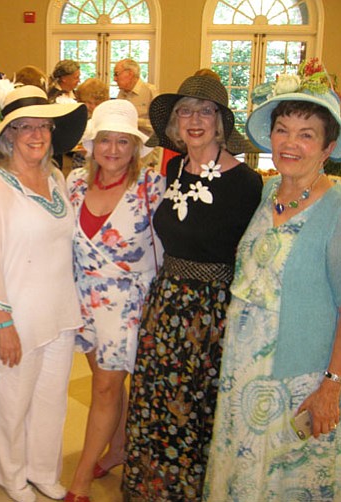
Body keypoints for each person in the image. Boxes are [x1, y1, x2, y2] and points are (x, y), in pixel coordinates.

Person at [122, 75, 263, 501]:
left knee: (197, 409)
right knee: (157, 399)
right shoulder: (172, 168)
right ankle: (153, 488)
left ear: (220, 122)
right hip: (165, 304)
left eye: (205, 111)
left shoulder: (246, 183)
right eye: (185, 110)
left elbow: (251, 256)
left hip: (212, 313)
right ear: (175, 123)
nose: (194, 119)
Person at [204, 64, 341, 501]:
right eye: (283, 130)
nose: (290, 143)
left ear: (327, 147)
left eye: (306, 134)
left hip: (298, 374)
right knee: (244, 468)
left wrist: (332, 384)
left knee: (287, 479)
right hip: (244, 366)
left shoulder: (336, 209)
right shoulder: (266, 194)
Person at [0, 85, 88, 502]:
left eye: (44, 126)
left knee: (52, 400)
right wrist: (3, 324)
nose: (36, 135)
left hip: (58, 310)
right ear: (8, 135)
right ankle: (11, 474)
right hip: (15, 316)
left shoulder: (55, 178)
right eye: (25, 127)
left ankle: (42, 470)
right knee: (12, 402)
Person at [64, 99, 165, 502]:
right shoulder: (73, 182)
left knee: (105, 389)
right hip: (83, 302)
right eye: (105, 140)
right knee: (108, 383)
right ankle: (119, 446)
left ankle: (81, 479)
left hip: (128, 306)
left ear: (135, 148)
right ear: (92, 145)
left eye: (123, 142)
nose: (113, 149)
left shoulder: (151, 187)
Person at [113, 59, 158, 138]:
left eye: (117, 74)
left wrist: (132, 121)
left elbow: (159, 124)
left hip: (146, 145)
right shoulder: (121, 94)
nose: (114, 79)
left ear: (130, 74)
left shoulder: (150, 91)